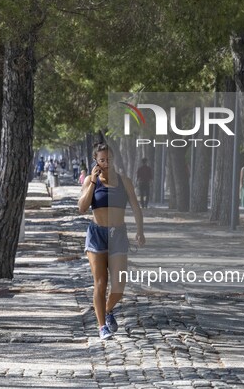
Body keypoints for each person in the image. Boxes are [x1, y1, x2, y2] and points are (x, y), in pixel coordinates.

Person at [78, 142, 145, 340]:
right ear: (96, 161)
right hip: (97, 234)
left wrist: (140, 231)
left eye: (110, 159)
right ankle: (101, 327)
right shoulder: (91, 180)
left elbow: (136, 207)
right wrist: (92, 182)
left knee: (119, 285)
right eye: (103, 160)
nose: (107, 162)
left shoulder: (125, 181)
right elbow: (82, 207)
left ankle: (107, 311)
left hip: (118, 234)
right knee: (100, 282)